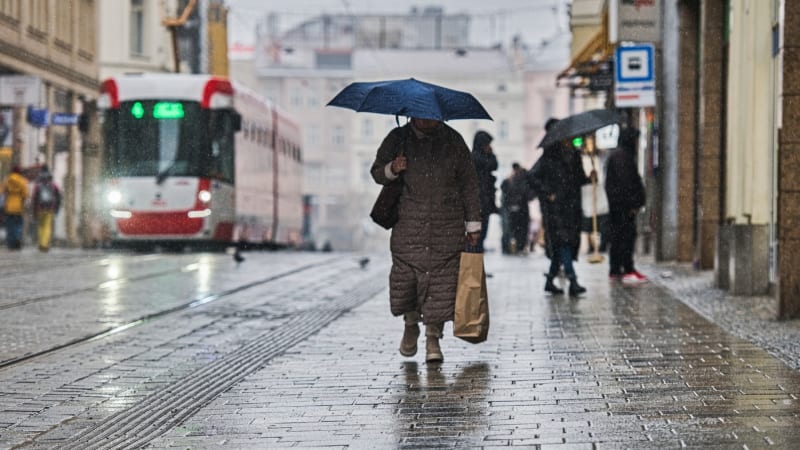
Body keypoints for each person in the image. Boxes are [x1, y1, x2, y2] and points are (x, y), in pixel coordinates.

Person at [371, 117, 481, 363]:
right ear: (412, 115)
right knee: (407, 279)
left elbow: (469, 184)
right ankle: (411, 325)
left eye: (432, 116)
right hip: (409, 225)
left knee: (441, 286)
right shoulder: (397, 138)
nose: (428, 121)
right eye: (422, 116)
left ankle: (433, 337)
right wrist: (393, 168)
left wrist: (473, 223)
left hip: (447, 226)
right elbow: (377, 173)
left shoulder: (453, 141)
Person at [528, 119, 594, 296]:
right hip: (556, 209)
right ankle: (573, 280)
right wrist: (548, 193)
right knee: (563, 242)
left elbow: (578, 179)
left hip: (572, 207)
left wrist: (589, 178)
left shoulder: (574, 155)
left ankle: (550, 280)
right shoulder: (549, 157)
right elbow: (532, 177)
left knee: (563, 245)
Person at [605, 127, 647, 283]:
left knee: (620, 237)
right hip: (622, 208)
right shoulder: (622, 157)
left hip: (619, 206)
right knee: (624, 237)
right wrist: (632, 203)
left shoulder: (619, 156)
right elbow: (627, 183)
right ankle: (624, 268)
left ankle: (619, 268)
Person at [471, 131, 498, 252]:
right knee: (477, 237)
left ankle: (478, 267)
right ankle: (475, 268)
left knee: (480, 237)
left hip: (483, 203)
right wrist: (491, 155)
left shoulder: (481, 156)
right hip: (478, 203)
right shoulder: (476, 157)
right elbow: (492, 165)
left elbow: (494, 165)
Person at [500, 162, 533, 254]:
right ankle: (515, 248)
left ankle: (513, 248)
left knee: (512, 230)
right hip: (515, 209)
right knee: (513, 230)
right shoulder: (509, 181)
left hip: (516, 209)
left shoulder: (512, 180)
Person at [32, 165, 61, 252]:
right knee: (47, 226)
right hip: (50, 208)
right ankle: (44, 244)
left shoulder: (38, 185)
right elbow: (58, 196)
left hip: (40, 208)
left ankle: (41, 243)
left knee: (40, 226)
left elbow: (34, 197)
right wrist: (57, 208)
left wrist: (34, 210)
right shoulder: (53, 185)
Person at [2, 165, 28, 250]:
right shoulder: (22, 180)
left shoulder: (7, 180)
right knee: (18, 225)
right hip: (19, 207)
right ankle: (18, 238)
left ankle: (11, 243)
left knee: (10, 226)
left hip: (9, 206)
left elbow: (2, 191)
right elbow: (26, 194)